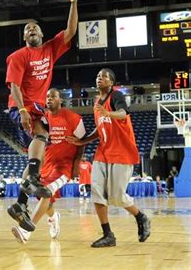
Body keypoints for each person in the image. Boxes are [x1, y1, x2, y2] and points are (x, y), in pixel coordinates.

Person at [5, 0, 78, 232]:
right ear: (24, 37)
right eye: (27, 29)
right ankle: (30, 187)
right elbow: (13, 85)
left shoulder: (50, 49)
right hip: (22, 108)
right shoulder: (18, 56)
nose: (32, 29)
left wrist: (73, 2)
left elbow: (70, 30)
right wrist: (23, 110)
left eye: (35, 27)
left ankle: (20, 203)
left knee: (37, 154)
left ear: (42, 35)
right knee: (42, 134)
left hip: (36, 108)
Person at [67, 68, 151, 247]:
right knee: (96, 193)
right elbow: (100, 128)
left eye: (104, 76)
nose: (100, 78)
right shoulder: (97, 102)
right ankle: (108, 235)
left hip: (122, 152)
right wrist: (82, 141)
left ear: (111, 82)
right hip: (103, 153)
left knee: (117, 197)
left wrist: (108, 113)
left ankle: (140, 216)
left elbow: (123, 113)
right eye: (98, 76)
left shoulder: (116, 96)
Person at [11, 88, 85, 243]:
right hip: (47, 163)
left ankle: (26, 231)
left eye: (53, 96)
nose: (49, 99)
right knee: (44, 198)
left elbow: (82, 141)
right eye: (47, 96)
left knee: (47, 192)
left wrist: (77, 164)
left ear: (60, 100)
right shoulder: (42, 119)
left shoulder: (72, 118)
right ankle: (53, 217)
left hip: (64, 166)